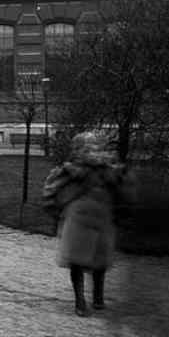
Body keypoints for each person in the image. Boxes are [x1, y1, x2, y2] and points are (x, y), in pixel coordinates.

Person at [42, 131, 137, 317]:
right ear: (78, 149)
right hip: (79, 219)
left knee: (100, 259)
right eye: (87, 147)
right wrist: (54, 210)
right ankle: (80, 300)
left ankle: (98, 296)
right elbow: (52, 189)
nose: (93, 151)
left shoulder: (110, 169)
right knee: (77, 260)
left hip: (102, 217)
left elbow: (124, 190)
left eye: (96, 147)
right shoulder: (72, 169)